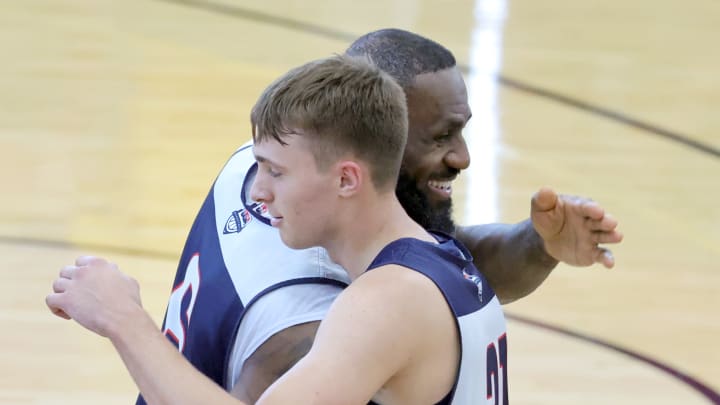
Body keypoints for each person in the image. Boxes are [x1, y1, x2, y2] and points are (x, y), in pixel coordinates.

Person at [150, 29, 622, 403]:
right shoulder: (320, 320)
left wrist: (538, 245)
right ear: (374, 145)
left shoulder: (261, 165)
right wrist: (120, 318)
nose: (462, 157)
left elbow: (433, 270)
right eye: (439, 137)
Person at [49, 53, 508, 404]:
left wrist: (123, 319)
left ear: (347, 178)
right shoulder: (439, 257)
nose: (260, 192)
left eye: (276, 172)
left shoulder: (387, 303)